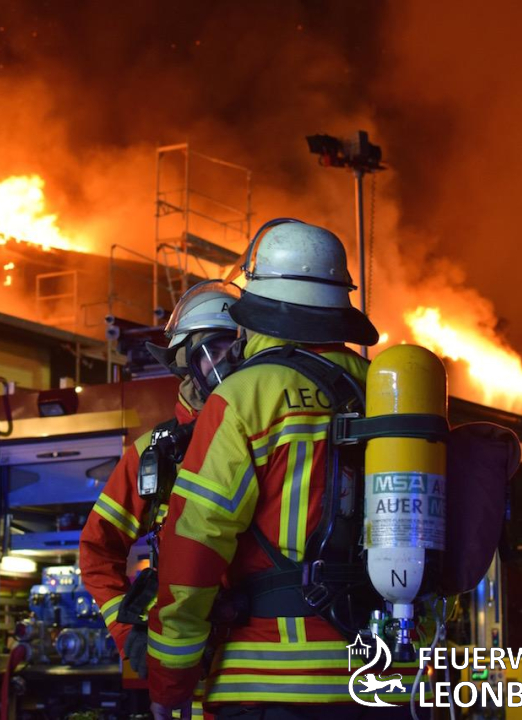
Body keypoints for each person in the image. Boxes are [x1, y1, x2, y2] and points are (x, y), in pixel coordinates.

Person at [147, 220, 420, 719]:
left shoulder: (245, 396)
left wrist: (170, 680)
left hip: (273, 680)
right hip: (389, 682)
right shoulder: (385, 390)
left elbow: (196, 543)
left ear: (258, 309)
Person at [79, 280, 241, 682]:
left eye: (238, 350)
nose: (228, 365)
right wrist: (126, 628)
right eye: (215, 351)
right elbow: (97, 549)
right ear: (185, 362)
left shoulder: (270, 433)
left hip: (259, 659)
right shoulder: (154, 453)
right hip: (188, 672)